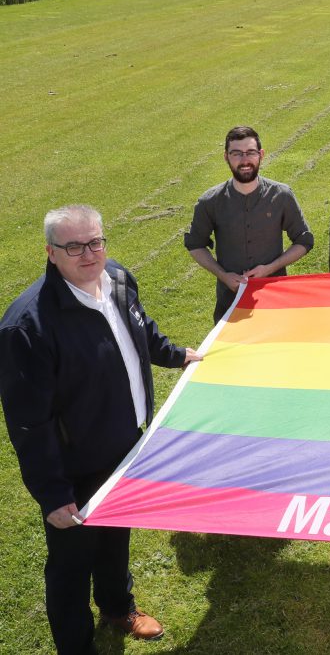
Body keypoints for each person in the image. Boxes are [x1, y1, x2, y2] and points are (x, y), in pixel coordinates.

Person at [0, 205, 203, 654]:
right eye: (73, 246)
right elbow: (28, 422)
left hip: (127, 444)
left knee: (115, 537)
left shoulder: (119, 279)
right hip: (75, 465)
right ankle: (76, 646)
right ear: (51, 253)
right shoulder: (28, 326)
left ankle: (117, 607)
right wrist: (52, 493)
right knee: (71, 563)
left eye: (95, 241)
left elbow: (141, 332)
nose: (88, 253)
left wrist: (176, 354)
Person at [184, 126, 314, 322]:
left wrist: (270, 268)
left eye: (250, 152)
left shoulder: (282, 196)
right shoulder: (209, 202)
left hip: (275, 302)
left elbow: (304, 241)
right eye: (236, 153)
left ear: (261, 154)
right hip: (230, 304)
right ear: (226, 157)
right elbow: (195, 245)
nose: (244, 160)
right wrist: (224, 276)